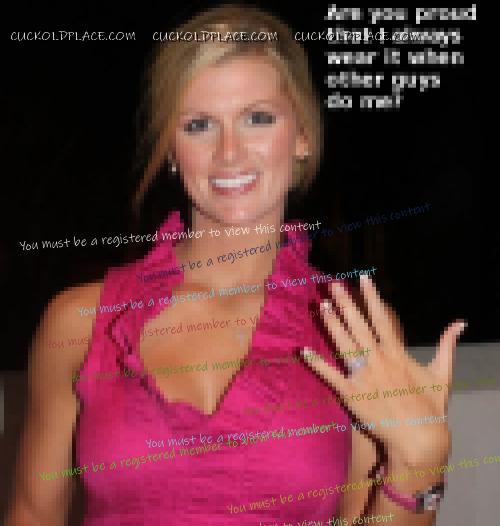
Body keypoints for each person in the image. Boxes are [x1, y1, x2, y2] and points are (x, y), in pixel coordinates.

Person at [6, 5, 465, 525]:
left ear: (302, 135)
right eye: (199, 125)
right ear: (171, 149)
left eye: (258, 118)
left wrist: (419, 464)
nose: (229, 152)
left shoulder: (349, 326)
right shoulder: (80, 323)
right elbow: (31, 515)